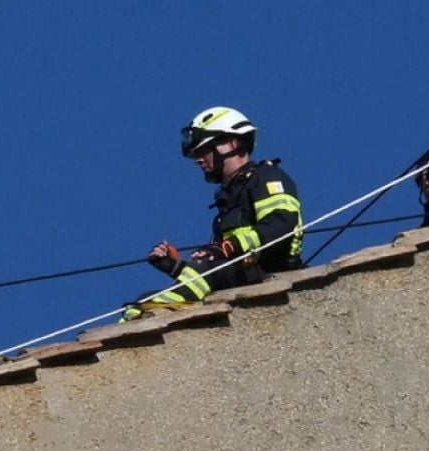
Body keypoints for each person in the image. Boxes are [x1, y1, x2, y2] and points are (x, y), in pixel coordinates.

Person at [126, 106, 304, 319]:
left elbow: (281, 225)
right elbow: (221, 270)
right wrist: (176, 267)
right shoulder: (230, 198)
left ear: (232, 143)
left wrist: (228, 247)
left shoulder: (267, 176)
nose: (198, 160)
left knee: (196, 270)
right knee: (141, 305)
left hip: (273, 272)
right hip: (246, 275)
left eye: (203, 151)